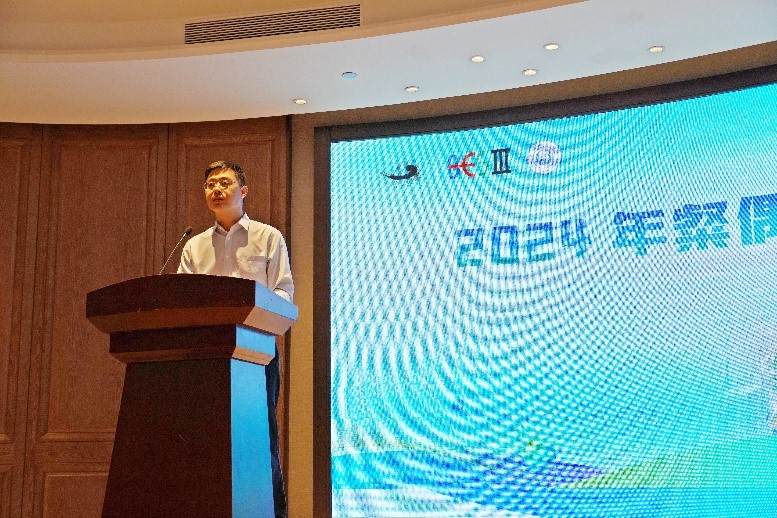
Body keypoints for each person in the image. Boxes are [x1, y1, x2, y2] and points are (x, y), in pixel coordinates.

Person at [178, 160, 293, 517]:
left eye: (224, 182)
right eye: (210, 184)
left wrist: (253, 319)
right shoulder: (194, 246)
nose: (216, 189)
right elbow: (180, 300)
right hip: (204, 357)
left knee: (260, 440)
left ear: (243, 191)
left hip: (256, 354)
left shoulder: (268, 237)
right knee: (204, 439)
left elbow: (284, 294)